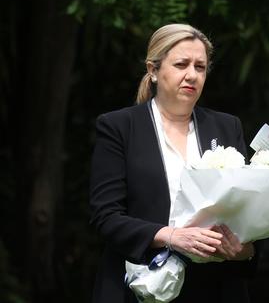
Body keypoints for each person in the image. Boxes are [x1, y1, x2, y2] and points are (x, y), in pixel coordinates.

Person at [89, 24, 256, 302]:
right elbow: (106, 217)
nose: (192, 75)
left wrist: (244, 249)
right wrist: (171, 236)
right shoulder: (119, 127)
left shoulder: (227, 127)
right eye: (181, 64)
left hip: (216, 288)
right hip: (140, 286)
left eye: (200, 67)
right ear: (153, 70)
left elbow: (251, 211)